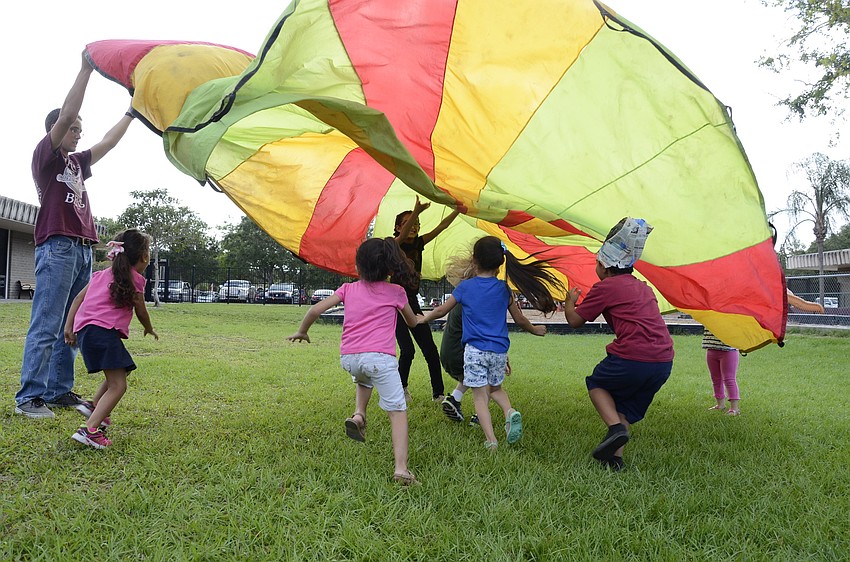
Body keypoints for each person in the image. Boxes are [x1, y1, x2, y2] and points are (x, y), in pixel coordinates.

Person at [15, 52, 136, 418]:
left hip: (83, 249)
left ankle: (59, 391)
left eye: (80, 130)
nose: (78, 133)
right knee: (48, 323)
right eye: (73, 129)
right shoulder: (46, 157)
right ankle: (29, 398)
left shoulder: (77, 163)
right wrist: (86, 69)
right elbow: (66, 113)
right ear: (56, 131)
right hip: (58, 248)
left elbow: (108, 143)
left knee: (73, 324)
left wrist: (133, 111)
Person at [287, 238, 421, 485]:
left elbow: (315, 310)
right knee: (397, 411)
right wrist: (424, 318)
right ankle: (401, 469)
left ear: (359, 266)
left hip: (350, 359)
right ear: (390, 268)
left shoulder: (347, 289)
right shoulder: (397, 292)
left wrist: (302, 331)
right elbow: (412, 322)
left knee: (364, 379)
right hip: (379, 358)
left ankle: (359, 415)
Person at [419, 236, 562, 450]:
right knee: (496, 390)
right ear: (500, 263)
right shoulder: (504, 290)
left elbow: (441, 310)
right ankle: (510, 412)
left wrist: (423, 319)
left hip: (475, 351)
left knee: (480, 397)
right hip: (499, 351)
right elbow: (520, 319)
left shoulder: (465, 288)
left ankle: (491, 440)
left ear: (474, 260)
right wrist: (535, 329)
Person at [563, 218, 674, 471]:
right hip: (663, 361)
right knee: (622, 406)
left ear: (604, 264)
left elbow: (574, 321)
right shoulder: (644, 288)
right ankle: (615, 460)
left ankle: (614, 429)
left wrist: (570, 300)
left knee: (597, 384)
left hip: (632, 356)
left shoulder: (605, 287)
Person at [63, 229, 158, 449]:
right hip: (102, 333)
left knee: (122, 368)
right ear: (144, 257)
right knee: (118, 385)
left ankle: (94, 405)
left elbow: (78, 298)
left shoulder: (100, 275)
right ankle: (90, 430)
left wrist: (69, 326)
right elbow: (141, 311)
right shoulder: (136, 280)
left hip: (88, 331)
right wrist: (149, 328)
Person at [393, 197, 461, 403]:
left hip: (411, 302)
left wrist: (458, 210)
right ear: (397, 227)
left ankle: (438, 394)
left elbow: (442, 226)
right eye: (408, 224)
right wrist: (416, 211)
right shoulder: (393, 244)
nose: (413, 227)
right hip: (395, 304)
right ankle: (401, 389)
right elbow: (403, 235)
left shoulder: (419, 243)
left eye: (416, 225)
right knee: (408, 350)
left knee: (430, 350)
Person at [703, 329, 741, 415]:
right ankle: (720, 405)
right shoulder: (708, 316)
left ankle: (734, 408)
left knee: (729, 379)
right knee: (716, 379)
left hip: (728, 351)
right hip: (712, 349)